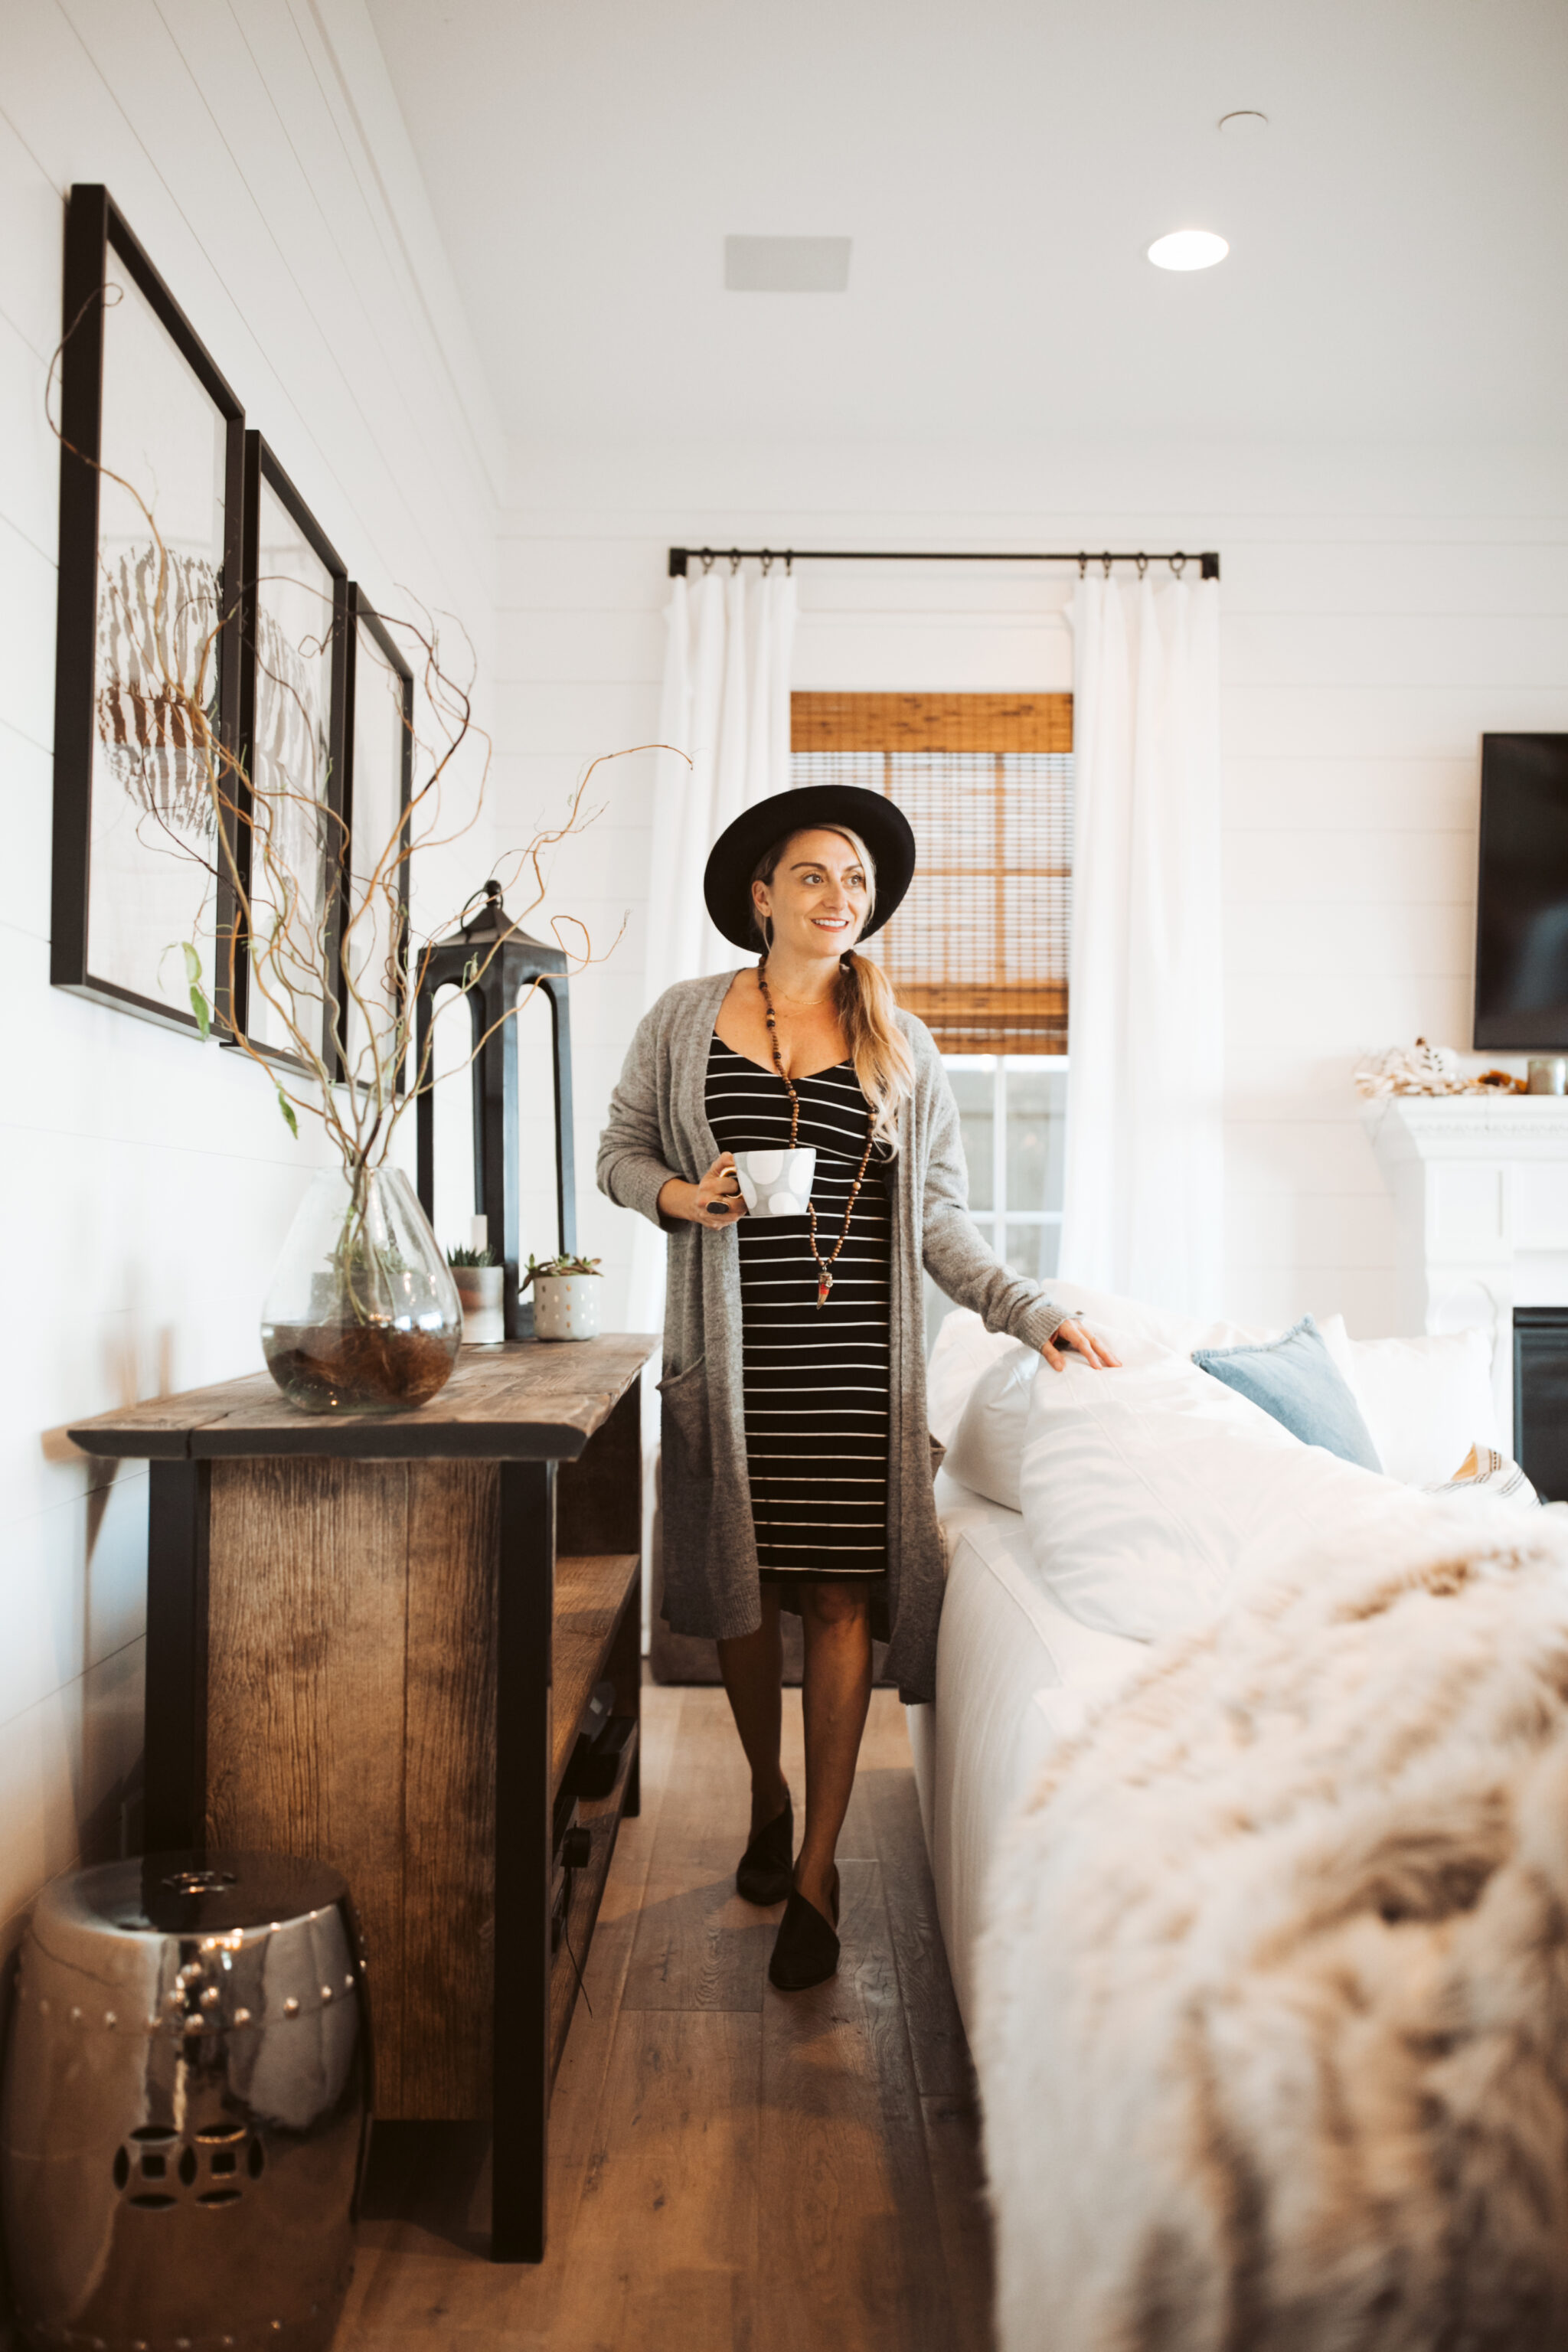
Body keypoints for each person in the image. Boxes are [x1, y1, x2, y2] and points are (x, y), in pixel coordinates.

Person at [596, 784, 1117, 1990]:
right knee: (738, 1599)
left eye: (859, 886)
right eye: (818, 876)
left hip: (850, 1371)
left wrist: (1029, 1309)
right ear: (762, 893)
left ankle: (818, 1872)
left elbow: (938, 1221)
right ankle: (766, 1799)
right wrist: (683, 1197)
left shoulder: (902, 1038)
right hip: (731, 1362)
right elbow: (622, 1148)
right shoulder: (683, 1019)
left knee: (837, 1601)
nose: (842, 900)